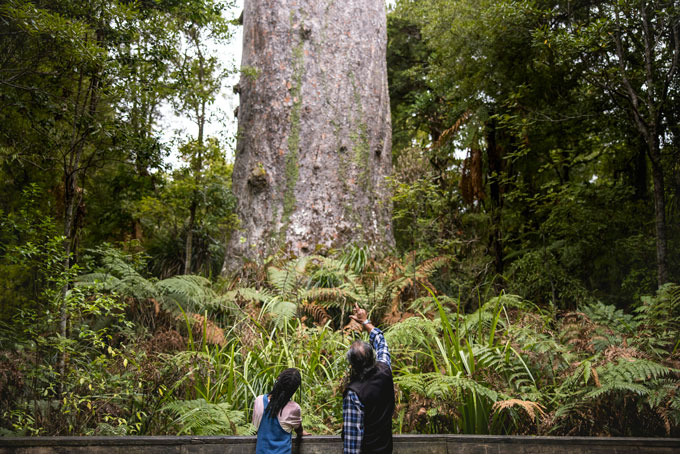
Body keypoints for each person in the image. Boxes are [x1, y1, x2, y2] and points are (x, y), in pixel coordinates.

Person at [342, 303, 395, 454]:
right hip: (385, 449)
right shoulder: (384, 370)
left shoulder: (354, 394)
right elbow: (381, 341)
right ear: (373, 357)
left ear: (352, 364)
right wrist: (365, 322)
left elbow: (353, 440)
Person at [253, 368, 305, 454]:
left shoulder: (259, 400)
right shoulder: (294, 408)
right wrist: (301, 432)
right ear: (294, 389)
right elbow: (298, 429)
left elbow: (255, 426)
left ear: (278, 380)